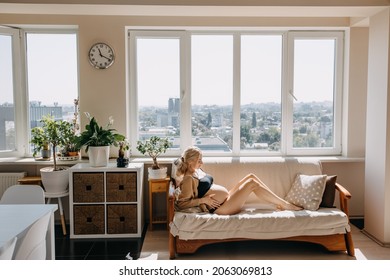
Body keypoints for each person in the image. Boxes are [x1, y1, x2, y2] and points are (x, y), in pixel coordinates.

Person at [174, 146, 302, 215]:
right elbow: (182, 204)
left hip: (226, 199)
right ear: (190, 162)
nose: (202, 162)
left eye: (201, 159)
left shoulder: (196, 170)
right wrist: (203, 200)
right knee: (252, 184)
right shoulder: (188, 178)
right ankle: (286, 205)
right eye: (199, 160)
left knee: (251, 176)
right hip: (221, 208)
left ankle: (280, 202)